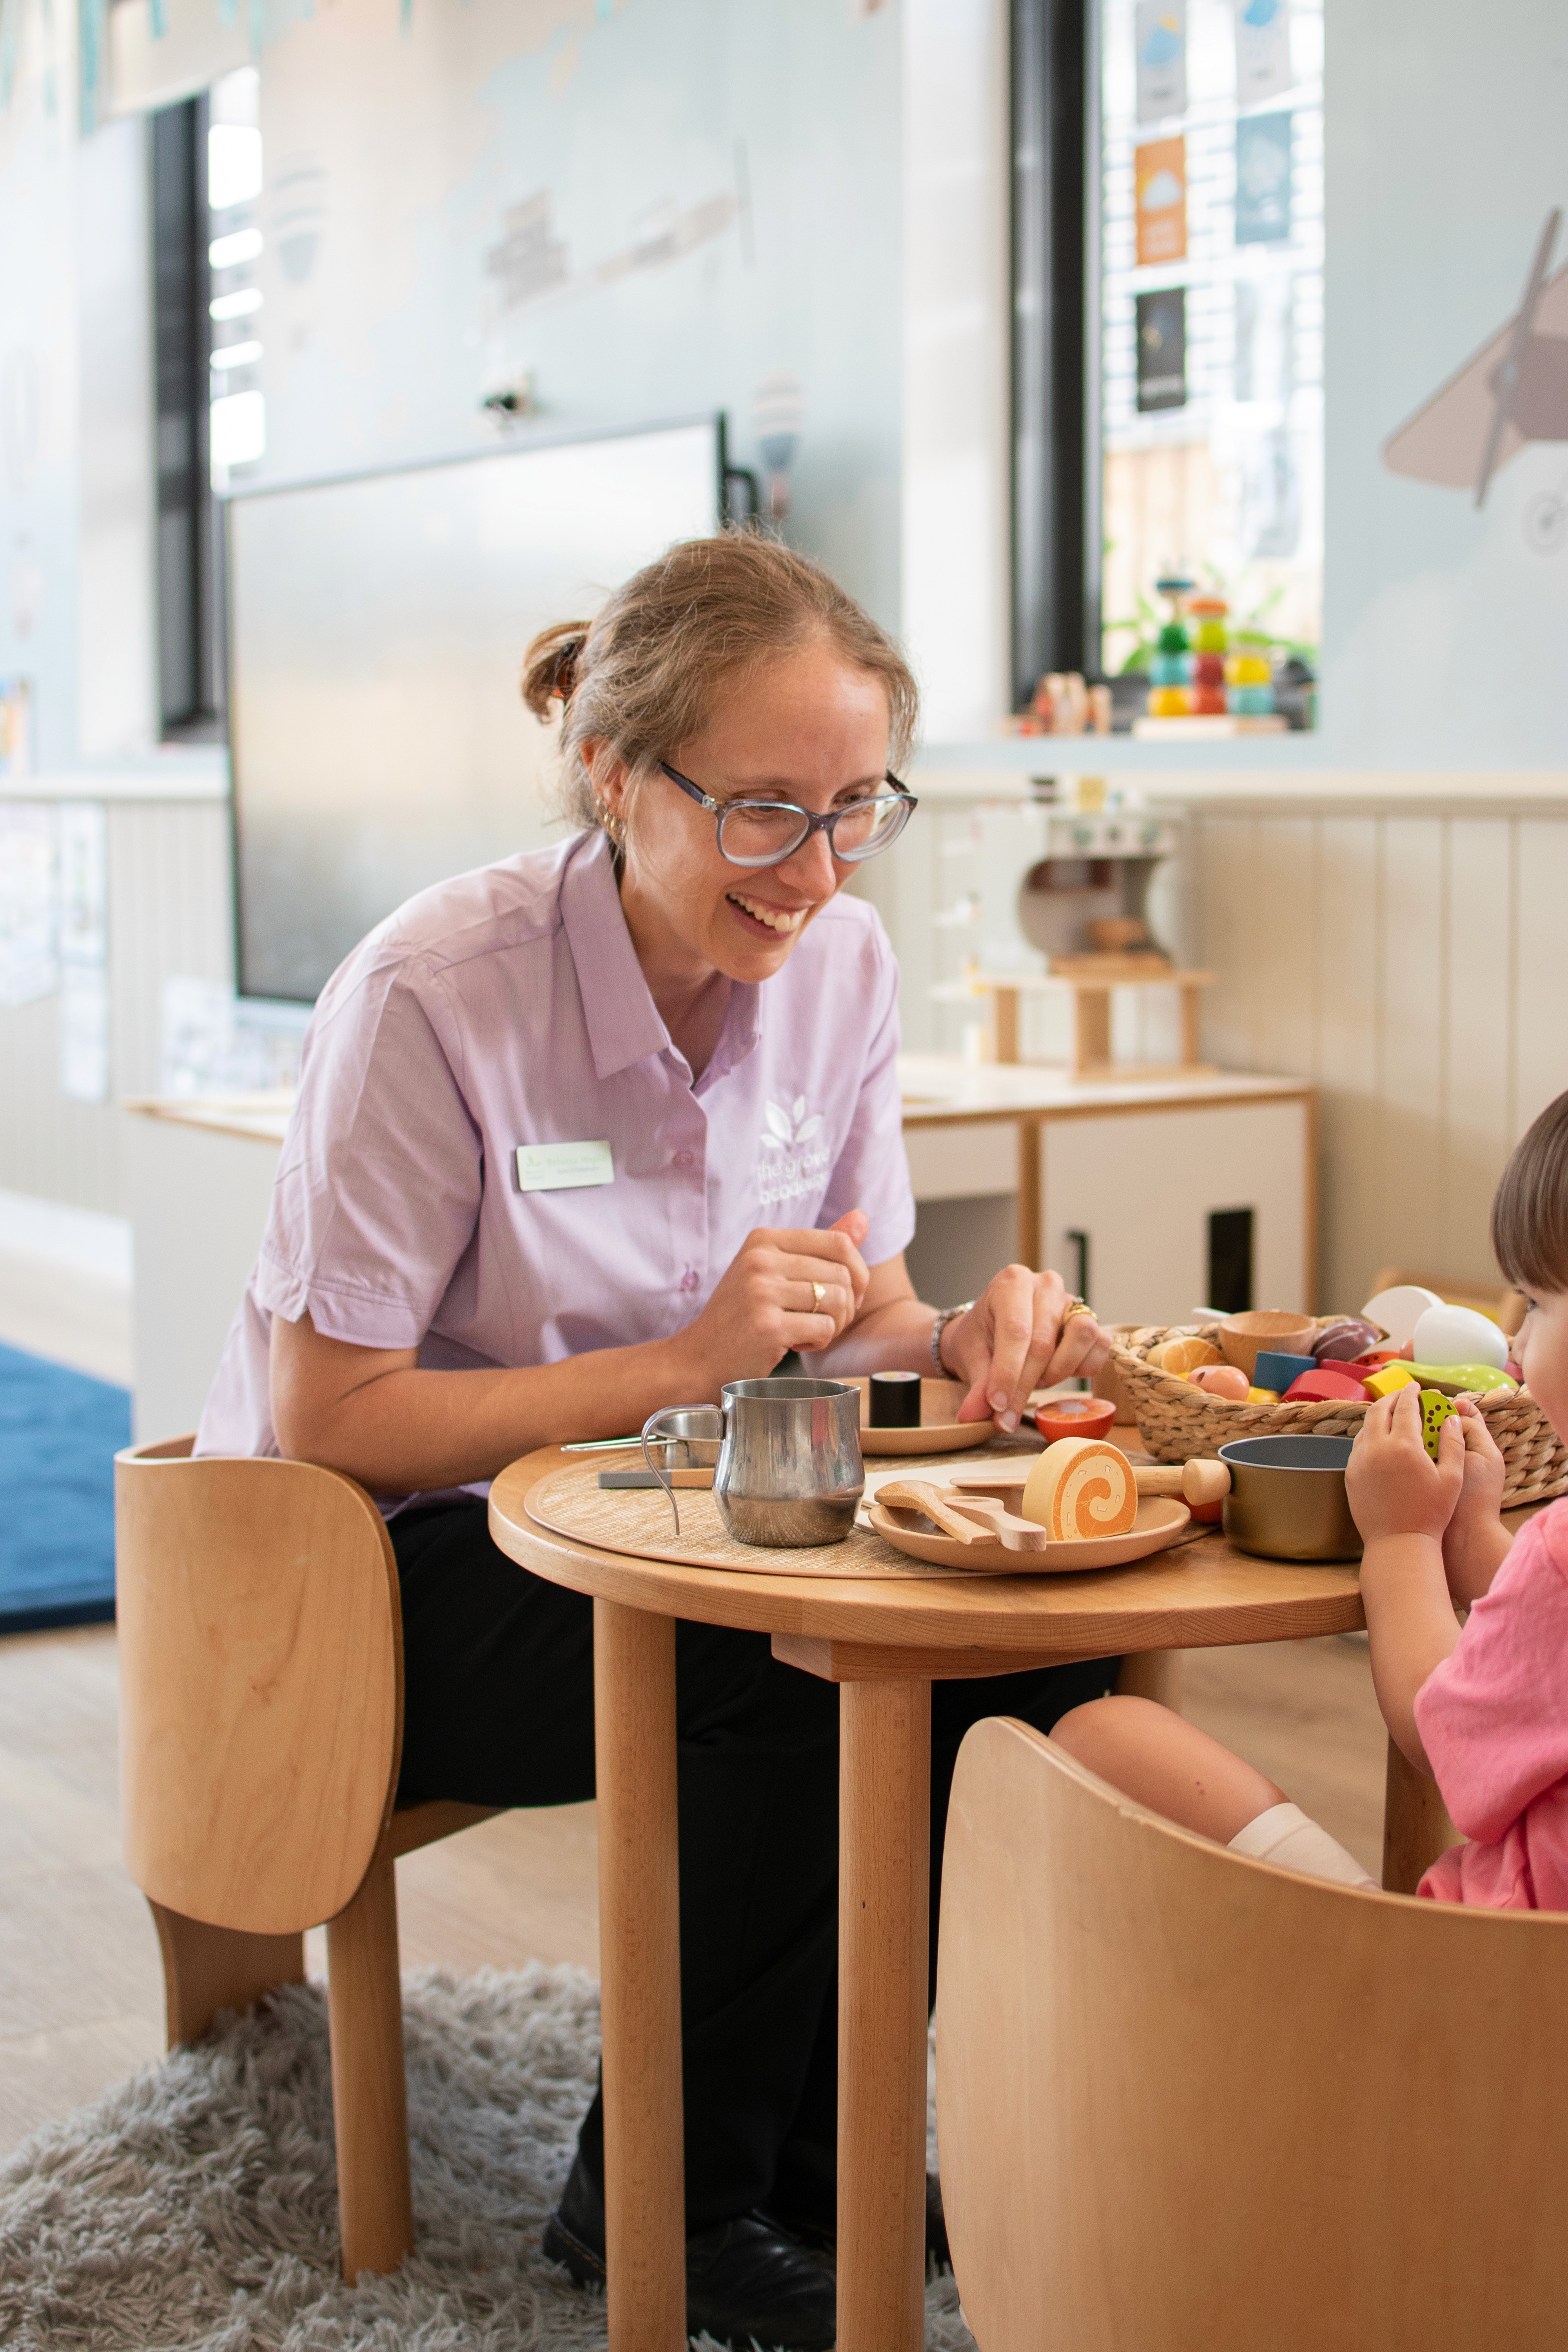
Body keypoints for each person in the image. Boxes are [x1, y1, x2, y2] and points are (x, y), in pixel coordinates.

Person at [196, 530, 1117, 2352]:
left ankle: (815, 2161)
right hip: (361, 1568)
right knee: (769, 1651)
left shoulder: (842, 967)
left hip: (660, 1514)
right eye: (764, 811)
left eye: (854, 811)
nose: (815, 871)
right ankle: (662, 2210)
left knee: (1024, 1626)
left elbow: (849, 1311)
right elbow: (334, 1415)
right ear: (614, 773)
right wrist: (675, 1366)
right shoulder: (432, 995)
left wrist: (953, 1338)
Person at [1048, 1088, 1568, 1913]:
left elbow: (1439, 1734)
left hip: (1481, 1977)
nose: (1520, 1339)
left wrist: (1400, 1541)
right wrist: (1473, 1539)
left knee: (1102, 1736)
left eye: (1536, 1303)